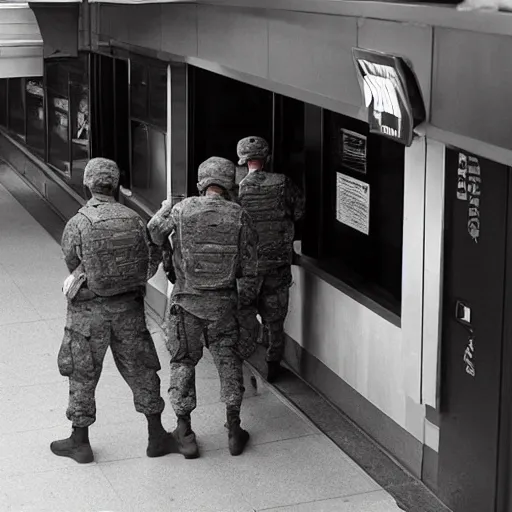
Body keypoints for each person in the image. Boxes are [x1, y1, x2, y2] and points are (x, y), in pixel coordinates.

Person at [51, 157, 177, 464]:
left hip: (88, 315)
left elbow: (72, 261)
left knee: (82, 373)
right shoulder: (135, 220)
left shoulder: (78, 223)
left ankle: (80, 442)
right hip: (129, 311)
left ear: (88, 184)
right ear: (117, 185)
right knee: (142, 369)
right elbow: (147, 266)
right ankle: (156, 435)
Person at [147, 156, 258, 459]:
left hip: (186, 306)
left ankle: (185, 434)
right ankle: (234, 431)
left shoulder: (182, 210)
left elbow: (154, 232)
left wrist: (164, 207)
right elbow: (249, 270)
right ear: (229, 183)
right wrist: (245, 309)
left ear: (202, 182)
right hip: (224, 306)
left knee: (183, 362)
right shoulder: (240, 215)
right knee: (229, 361)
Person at [236, 136, 305, 383]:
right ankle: (273, 365)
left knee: (243, 314)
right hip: (277, 264)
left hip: (248, 268)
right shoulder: (283, 183)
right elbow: (299, 211)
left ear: (242, 159)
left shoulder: (237, 188)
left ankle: (238, 364)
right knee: (275, 318)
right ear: (267, 157)